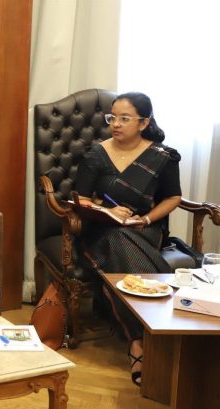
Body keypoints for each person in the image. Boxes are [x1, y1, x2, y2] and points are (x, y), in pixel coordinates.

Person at [74, 92, 182, 386]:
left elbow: (173, 197)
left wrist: (145, 219)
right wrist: (106, 210)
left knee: (121, 240)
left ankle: (142, 339)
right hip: (101, 230)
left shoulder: (162, 157)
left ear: (144, 123)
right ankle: (142, 340)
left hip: (145, 230)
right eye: (112, 118)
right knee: (116, 237)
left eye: (124, 118)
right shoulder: (96, 154)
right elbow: (81, 200)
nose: (116, 124)